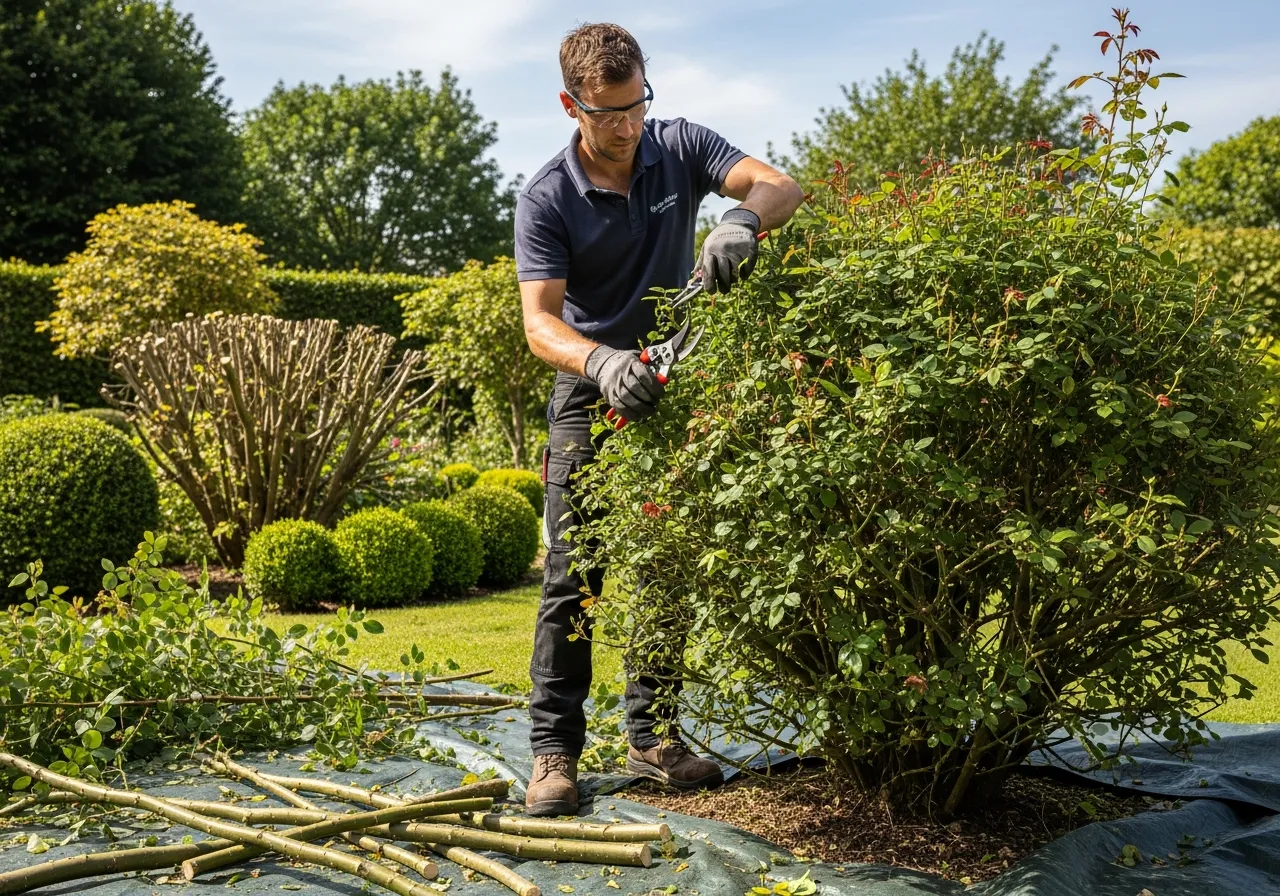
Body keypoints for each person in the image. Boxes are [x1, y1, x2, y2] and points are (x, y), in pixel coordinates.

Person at [515, 22, 804, 817]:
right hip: (590, 387)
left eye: (637, 103)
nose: (628, 125)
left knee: (670, 566)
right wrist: (602, 362)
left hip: (674, 381)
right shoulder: (547, 196)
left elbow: (779, 185)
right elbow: (540, 324)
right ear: (571, 104)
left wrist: (742, 220)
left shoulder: (678, 145)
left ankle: (652, 740)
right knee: (576, 580)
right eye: (609, 112)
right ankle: (553, 755)